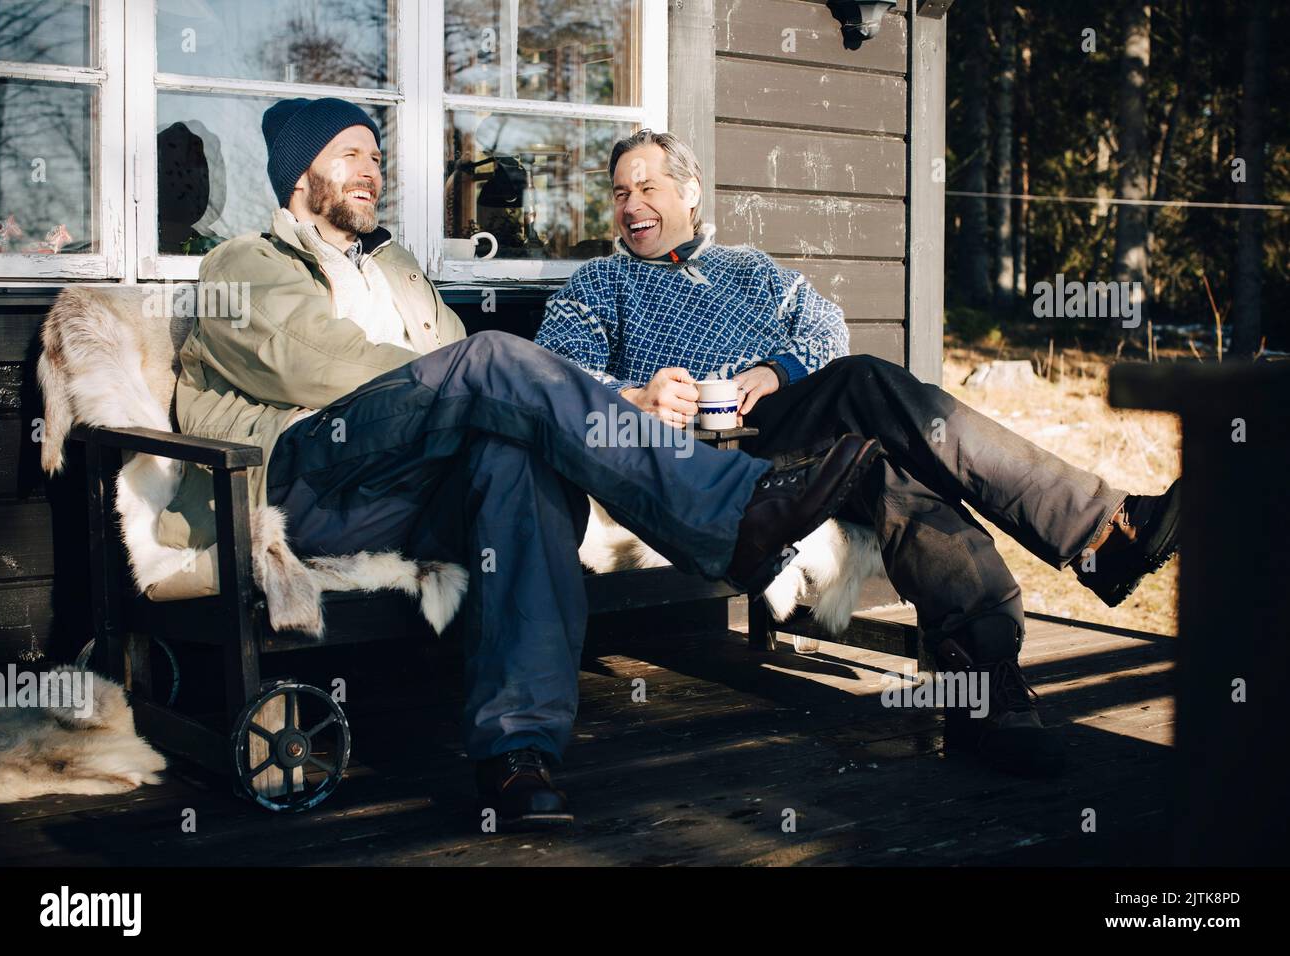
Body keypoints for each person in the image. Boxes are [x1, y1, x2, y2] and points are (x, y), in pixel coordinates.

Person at [152, 98, 877, 829]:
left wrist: (465, 381)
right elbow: (313, 366)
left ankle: (516, 754)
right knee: (492, 361)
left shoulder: (397, 268)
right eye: (349, 155)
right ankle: (733, 509)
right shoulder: (243, 264)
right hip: (303, 480)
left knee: (513, 460)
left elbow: (470, 383)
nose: (371, 171)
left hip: (407, 489)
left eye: (376, 156)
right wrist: (460, 374)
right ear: (298, 175)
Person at [535, 129, 1183, 779]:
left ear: (690, 192)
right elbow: (555, 376)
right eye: (621, 192)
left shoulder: (752, 270)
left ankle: (990, 686)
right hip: (685, 457)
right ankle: (1095, 543)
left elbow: (824, 326)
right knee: (875, 417)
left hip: (779, 428)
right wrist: (634, 396)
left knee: (874, 426)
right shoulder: (600, 284)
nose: (631, 205)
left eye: (647, 188)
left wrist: (777, 370)